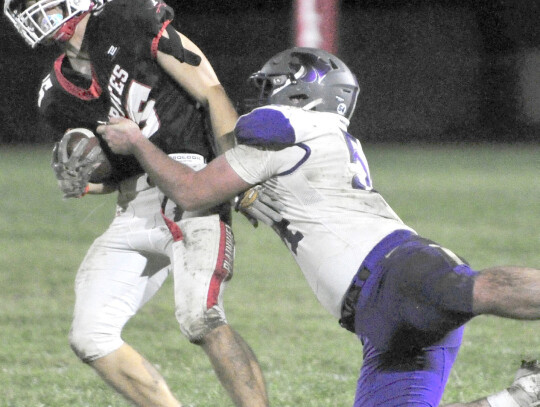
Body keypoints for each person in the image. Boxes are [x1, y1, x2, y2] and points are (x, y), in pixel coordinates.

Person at [98, 46, 540, 407]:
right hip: (372, 312)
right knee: (471, 291)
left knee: (476, 290)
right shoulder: (302, 141)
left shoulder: (293, 124)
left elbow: (194, 191)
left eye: (272, 89)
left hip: (390, 270)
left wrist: (138, 142)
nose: (261, 101)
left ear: (302, 93)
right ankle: (521, 398)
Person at [4, 0, 269, 406]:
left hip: (190, 184)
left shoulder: (128, 19)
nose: (33, 9)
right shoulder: (55, 95)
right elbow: (121, 171)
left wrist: (239, 170)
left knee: (201, 318)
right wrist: (88, 183)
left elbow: (212, 90)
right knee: (90, 335)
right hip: (134, 207)